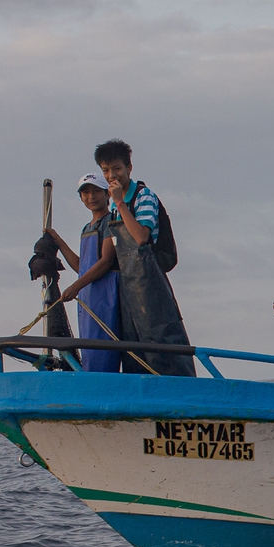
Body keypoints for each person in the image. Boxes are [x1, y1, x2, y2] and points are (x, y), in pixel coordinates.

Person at [92, 139, 194, 377]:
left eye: (116, 168)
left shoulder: (143, 197)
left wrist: (118, 201)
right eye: (105, 170)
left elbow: (140, 238)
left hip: (151, 284)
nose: (111, 175)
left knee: (161, 341)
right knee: (133, 347)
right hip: (128, 286)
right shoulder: (117, 209)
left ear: (129, 168)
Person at [44, 173, 121, 372]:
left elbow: (106, 261)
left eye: (96, 191)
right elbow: (81, 266)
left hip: (106, 295)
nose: (91, 197)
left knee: (104, 348)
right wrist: (58, 241)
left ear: (107, 195)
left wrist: (75, 287)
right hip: (88, 298)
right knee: (89, 347)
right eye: (86, 193)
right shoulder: (87, 228)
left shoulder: (110, 222)